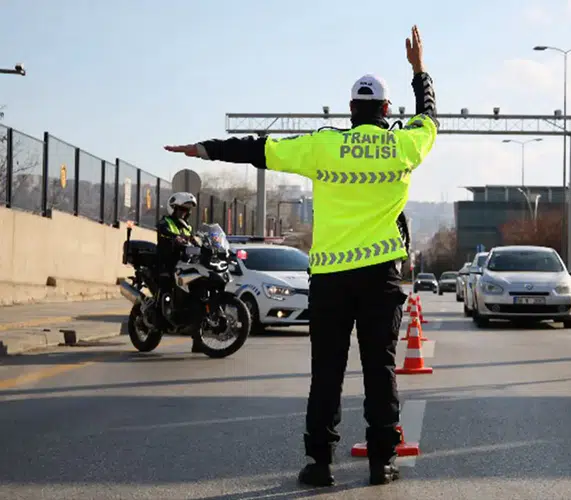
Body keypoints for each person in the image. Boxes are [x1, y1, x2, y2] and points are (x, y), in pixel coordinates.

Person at [163, 25, 437, 486]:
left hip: (330, 278)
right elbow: (430, 117)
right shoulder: (404, 144)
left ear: (351, 110)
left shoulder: (323, 144)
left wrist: (204, 149)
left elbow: (258, 150)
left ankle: (319, 464)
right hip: (380, 277)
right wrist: (419, 70)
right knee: (380, 368)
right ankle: (381, 462)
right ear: (387, 111)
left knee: (326, 373)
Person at [155, 192, 203, 353]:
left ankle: (198, 339)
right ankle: (160, 315)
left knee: (196, 297)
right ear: (173, 209)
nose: (183, 213)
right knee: (166, 288)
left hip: (184, 264)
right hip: (167, 263)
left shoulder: (187, 226)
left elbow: (193, 240)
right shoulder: (165, 222)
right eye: (181, 209)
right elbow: (163, 230)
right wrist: (175, 237)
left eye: (186, 210)